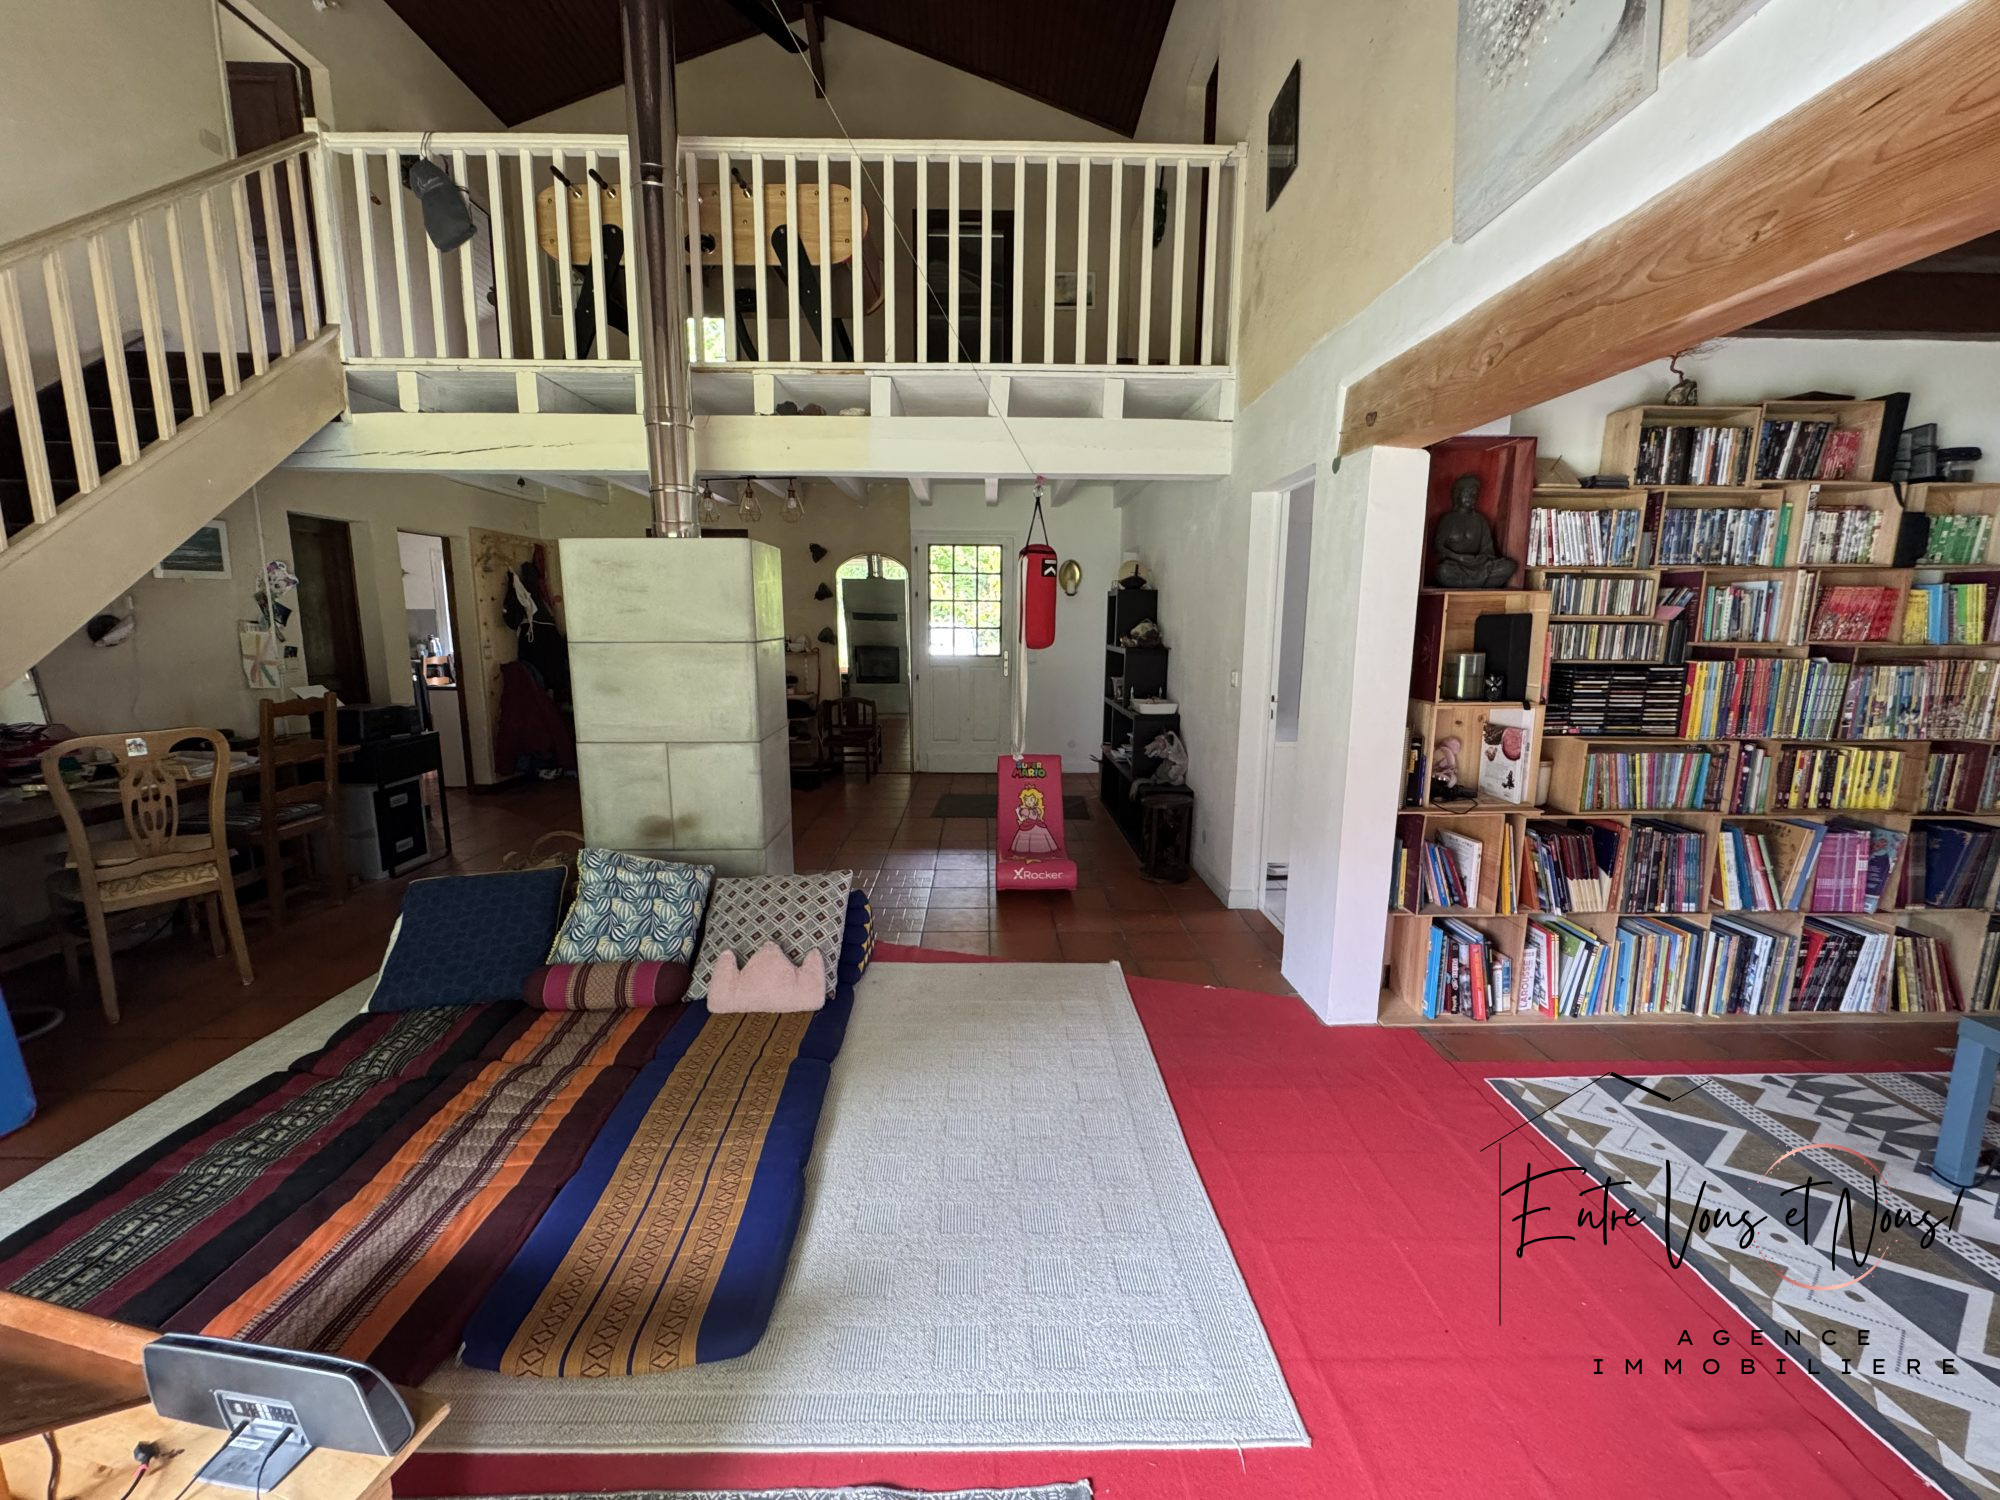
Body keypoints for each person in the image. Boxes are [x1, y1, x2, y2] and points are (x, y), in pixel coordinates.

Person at [1009, 786, 1059, 857]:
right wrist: (1020, 816)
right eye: (1026, 800)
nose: (1029, 802)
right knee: (1026, 840)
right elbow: (1021, 815)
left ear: (1036, 800)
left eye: (1031, 799)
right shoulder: (1025, 810)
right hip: (1028, 826)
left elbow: (1037, 816)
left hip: (1038, 826)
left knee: (1041, 839)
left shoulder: (1037, 810)